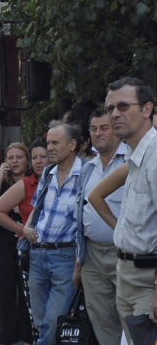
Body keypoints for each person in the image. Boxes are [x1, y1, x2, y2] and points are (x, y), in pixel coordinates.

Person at [90, 77, 157, 343]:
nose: (115, 113)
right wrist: (123, 231)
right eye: (110, 108)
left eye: (123, 106)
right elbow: (94, 196)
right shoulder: (134, 154)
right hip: (127, 276)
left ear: (147, 109)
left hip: (147, 281)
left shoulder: (154, 156)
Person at [22, 121, 83, 345]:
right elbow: (37, 208)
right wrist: (28, 228)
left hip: (65, 257)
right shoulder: (48, 172)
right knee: (40, 322)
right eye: (48, 142)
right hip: (38, 254)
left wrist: (79, 262)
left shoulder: (86, 172)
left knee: (54, 320)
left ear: (72, 144)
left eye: (55, 142)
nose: (49, 148)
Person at [71, 108, 127, 344]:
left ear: (116, 129)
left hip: (123, 254)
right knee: (101, 319)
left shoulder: (133, 161)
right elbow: (79, 216)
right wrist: (79, 262)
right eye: (93, 129)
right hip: (92, 255)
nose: (98, 133)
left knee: (131, 319)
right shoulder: (87, 168)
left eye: (104, 128)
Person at [0, 142, 32, 344]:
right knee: (2, 293)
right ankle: (4, 337)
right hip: (1, 242)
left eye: (19, 157)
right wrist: (0, 178)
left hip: (25, 242)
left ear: (26, 160)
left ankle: (27, 336)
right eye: (11, 158)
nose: (15, 161)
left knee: (26, 291)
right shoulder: (0, 179)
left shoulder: (33, 180)